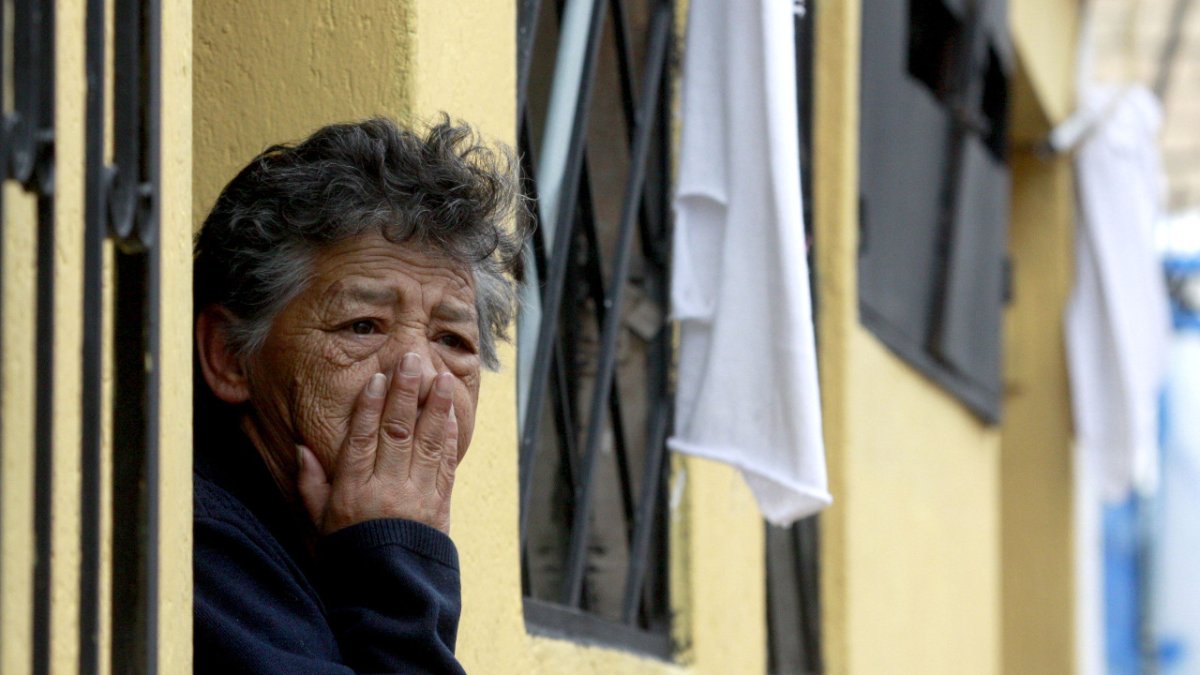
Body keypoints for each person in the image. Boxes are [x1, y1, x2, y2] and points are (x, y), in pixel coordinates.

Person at [191, 117, 526, 673]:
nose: (419, 374)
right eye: (362, 326)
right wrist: (397, 558)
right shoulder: (197, 546)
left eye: (452, 340)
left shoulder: (317, 545)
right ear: (229, 355)